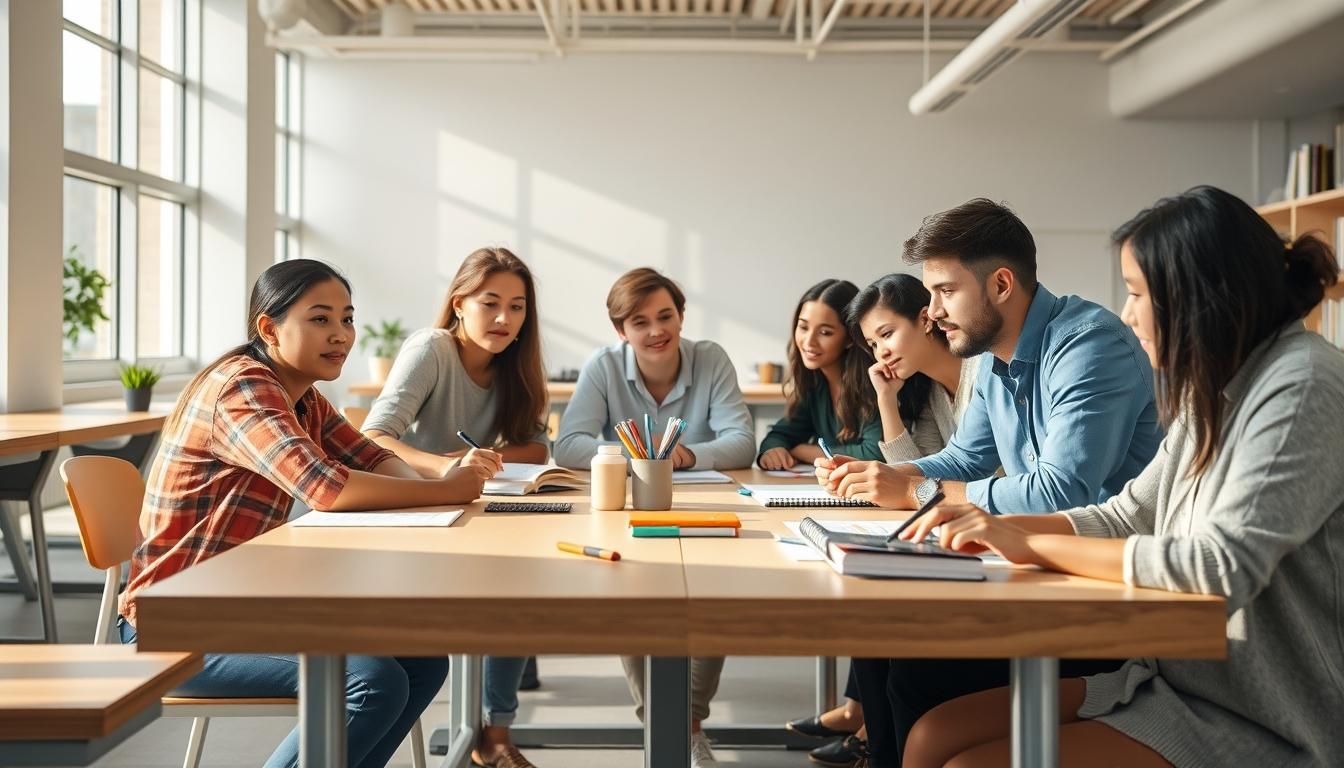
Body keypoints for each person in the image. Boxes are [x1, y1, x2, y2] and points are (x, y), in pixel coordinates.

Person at [898, 185, 1344, 768]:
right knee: (930, 736)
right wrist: (991, 528)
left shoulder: (1302, 385)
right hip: (1176, 678)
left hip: (1270, 716)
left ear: (1201, 296)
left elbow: (1217, 567)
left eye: (1136, 293)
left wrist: (1030, 543)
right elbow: (1128, 514)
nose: (1128, 314)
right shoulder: (1214, 388)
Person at [820, 200, 1161, 767]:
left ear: (1001, 284)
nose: (932, 313)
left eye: (945, 292)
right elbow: (965, 458)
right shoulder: (994, 357)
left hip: (1101, 593)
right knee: (878, 640)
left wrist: (914, 493)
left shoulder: (1089, 345)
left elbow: (1062, 491)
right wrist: (887, 476)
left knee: (915, 674)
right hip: (1040, 570)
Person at [118, 259, 487, 768]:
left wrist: (435, 492)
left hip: (244, 604)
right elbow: (325, 489)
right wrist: (441, 492)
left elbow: (371, 457)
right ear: (269, 329)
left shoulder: (305, 398)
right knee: (371, 681)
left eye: (347, 318)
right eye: (320, 319)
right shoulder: (242, 388)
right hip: (174, 622)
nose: (340, 334)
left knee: (423, 663)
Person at [554, 267, 755, 768]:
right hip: (631, 507)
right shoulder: (603, 365)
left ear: (681, 316)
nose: (656, 330)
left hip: (703, 506)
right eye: (639, 322)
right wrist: (636, 456)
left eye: (665, 316)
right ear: (621, 331)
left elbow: (742, 441)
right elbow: (568, 444)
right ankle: (673, 727)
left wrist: (685, 456)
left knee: (712, 592)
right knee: (632, 591)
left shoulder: (710, 358)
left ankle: (685, 724)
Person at [362, 247, 548, 768]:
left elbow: (537, 448)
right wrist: (445, 466)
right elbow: (373, 437)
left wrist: (485, 460)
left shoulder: (516, 364)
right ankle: (484, 738)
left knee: (520, 582)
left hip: (473, 514)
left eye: (516, 307)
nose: (504, 318)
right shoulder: (432, 349)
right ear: (459, 303)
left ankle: (494, 736)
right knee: (506, 589)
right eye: (490, 303)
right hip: (416, 517)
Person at [784, 273, 980, 768]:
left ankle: (878, 742)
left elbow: (950, 479)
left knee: (887, 628)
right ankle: (874, 740)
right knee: (868, 608)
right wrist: (888, 400)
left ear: (926, 318)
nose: (881, 353)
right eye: (872, 344)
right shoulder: (931, 393)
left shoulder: (983, 378)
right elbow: (918, 468)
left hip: (981, 536)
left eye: (887, 334)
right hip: (951, 526)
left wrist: (901, 482)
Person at [757, 278, 883, 472]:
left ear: (850, 338)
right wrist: (774, 450)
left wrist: (801, 450)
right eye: (803, 327)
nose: (809, 342)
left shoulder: (876, 382)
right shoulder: (814, 384)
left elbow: (875, 454)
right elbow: (779, 435)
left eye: (825, 332)